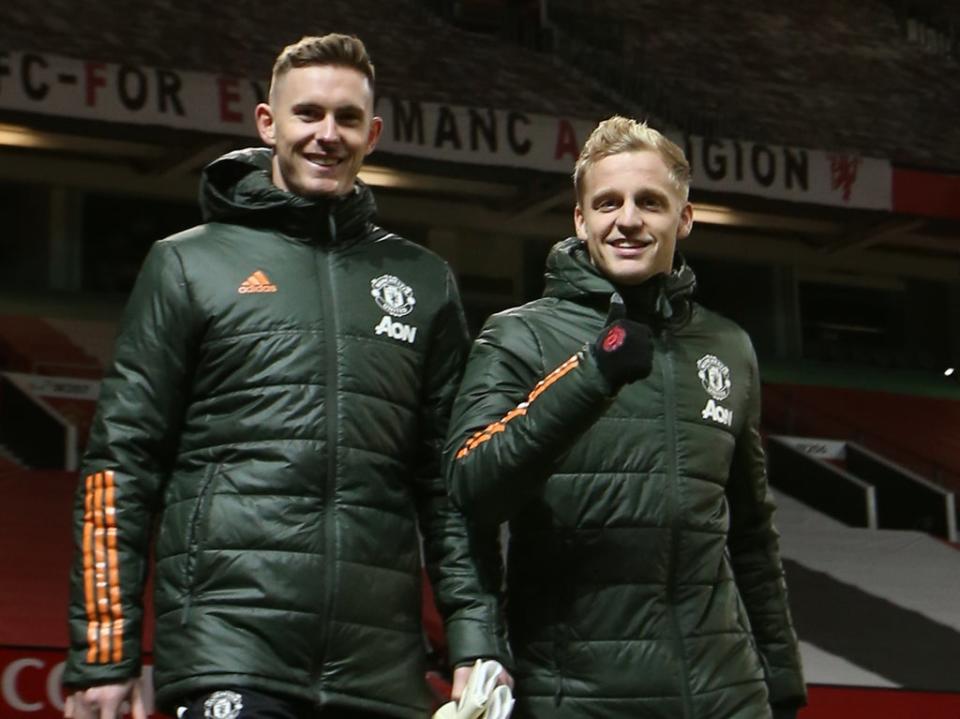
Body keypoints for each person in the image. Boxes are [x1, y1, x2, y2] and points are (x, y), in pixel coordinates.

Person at [63, 34, 509, 719]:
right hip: (230, 652)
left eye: (347, 118)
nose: (326, 134)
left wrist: (476, 638)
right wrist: (103, 650)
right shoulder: (187, 265)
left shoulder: (424, 281)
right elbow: (119, 466)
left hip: (381, 667)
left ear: (373, 133)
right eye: (308, 114)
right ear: (268, 123)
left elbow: (450, 484)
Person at [444, 116, 806, 719]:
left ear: (684, 218)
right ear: (581, 220)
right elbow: (471, 493)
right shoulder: (518, 337)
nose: (629, 219)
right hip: (576, 697)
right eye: (608, 203)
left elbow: (750, 532)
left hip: (724, 696)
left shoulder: (728, 345)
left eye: (651, 202)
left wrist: (781, 676)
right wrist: (592, 375)